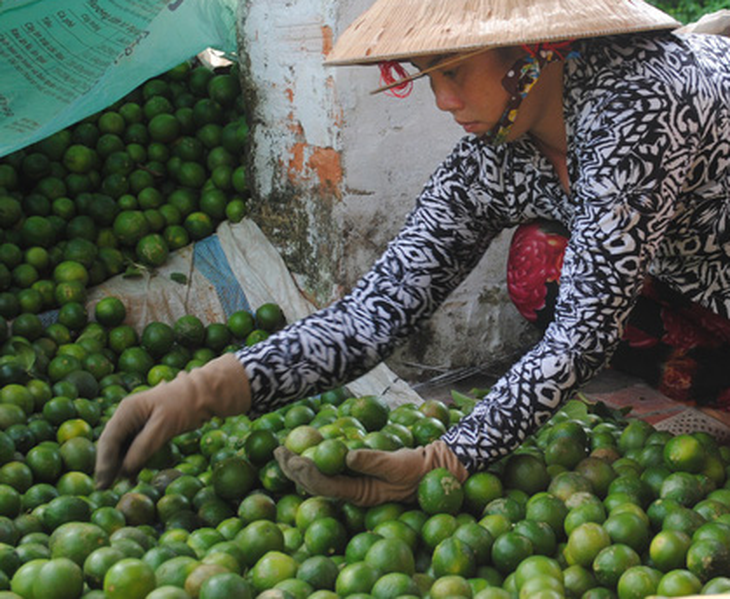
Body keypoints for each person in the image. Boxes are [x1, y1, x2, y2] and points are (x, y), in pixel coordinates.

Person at [95, 0, 730, 506]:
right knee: (545, 266)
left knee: (579, 302)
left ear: (535, 51)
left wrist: (447, 459)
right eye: (430, 75)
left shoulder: (637, 104)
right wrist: (208, 390)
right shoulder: (501, 149)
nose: (444, 102)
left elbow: (582, 335)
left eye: (454, 71)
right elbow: (378, 309)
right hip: (685, 264)